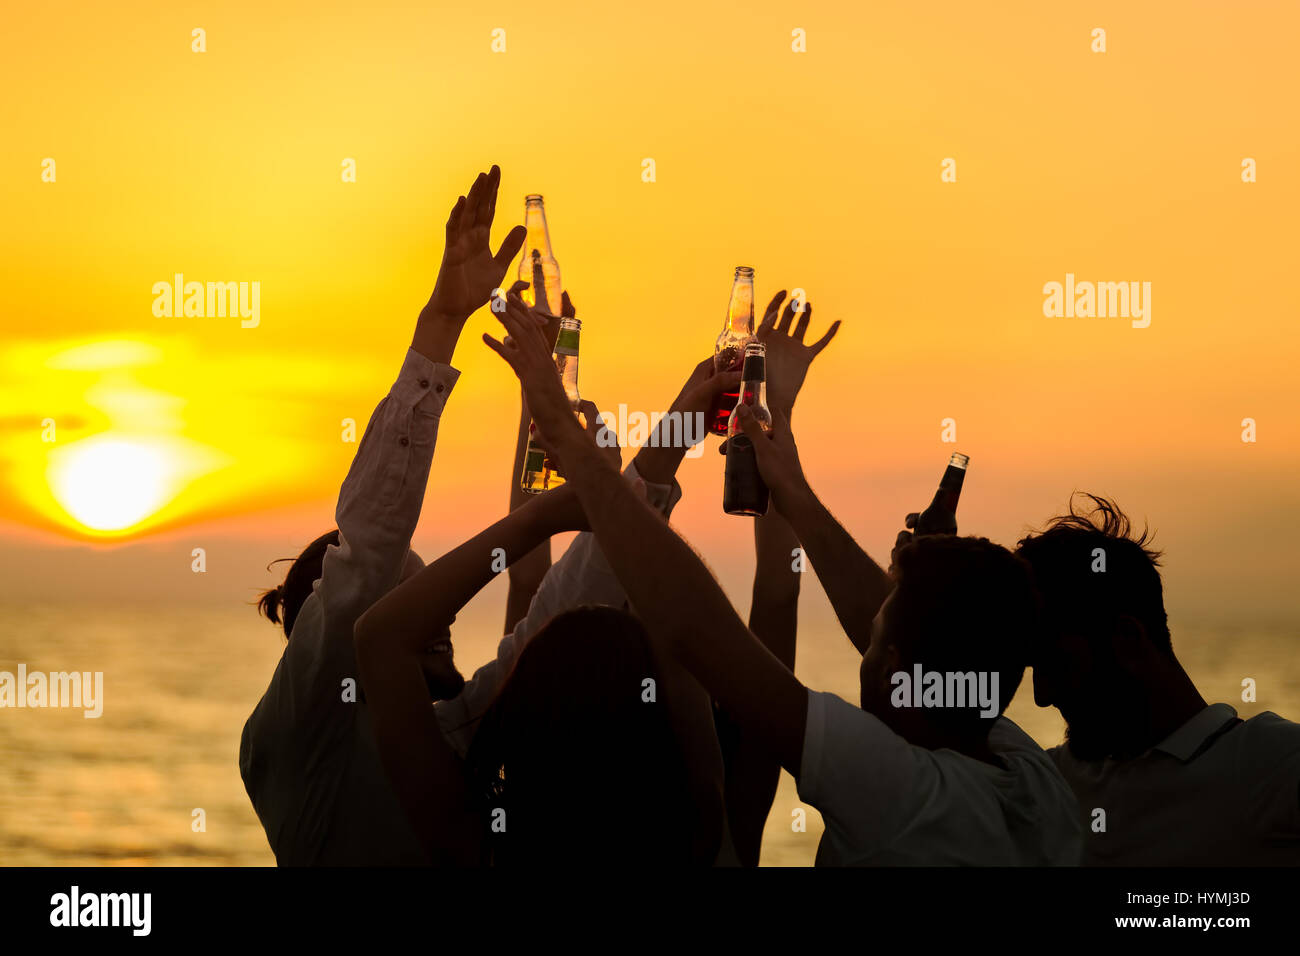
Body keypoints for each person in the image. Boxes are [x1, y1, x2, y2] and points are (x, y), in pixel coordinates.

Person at [484, 289, 1081, 865]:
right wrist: (781, 450)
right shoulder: (1027, 775)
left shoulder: (906, 794)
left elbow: (694, 624)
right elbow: (777, 599)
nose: (861, 648)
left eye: (871, 638)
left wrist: (574, 444)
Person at [239, 165, 525, 865]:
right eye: (415, 603)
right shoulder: (296, 737)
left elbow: (542, 626)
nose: (445, 616)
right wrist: (442, 322)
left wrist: (656, 456)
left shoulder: (448, 731)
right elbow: (368, 551)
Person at [354, 364, 742, 865]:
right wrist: (612, 487)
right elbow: (684, 630)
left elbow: (380, 638)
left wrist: (557, 511)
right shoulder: (702, 831)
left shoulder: (471, 842)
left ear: (512, 713)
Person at [1016, 494, 1300, 865]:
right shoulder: (1046, 782)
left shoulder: (1271, 764)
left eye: (1057, 663)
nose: (1042, 695)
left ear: (1128, 639)